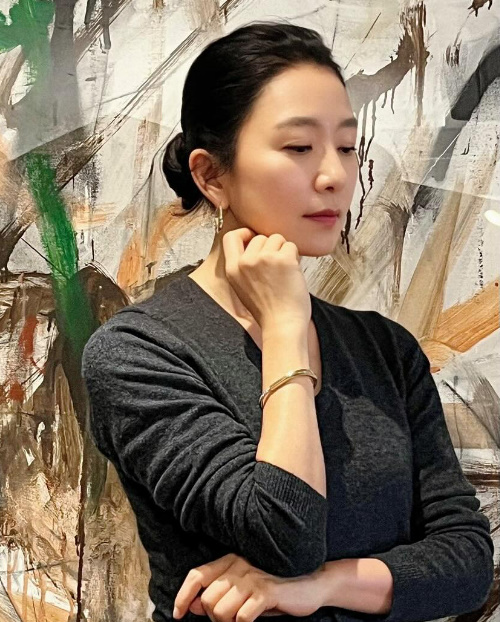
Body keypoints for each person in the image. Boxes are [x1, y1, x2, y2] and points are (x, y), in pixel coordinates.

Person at [81, 21, 495, 622]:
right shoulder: (139, 352)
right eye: (299, 148)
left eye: (346, 146)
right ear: (211, 175)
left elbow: (467, 564)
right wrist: (282, 330)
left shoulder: (383, 348)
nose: (335, 176)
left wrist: (323, 586)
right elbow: (285, 536)